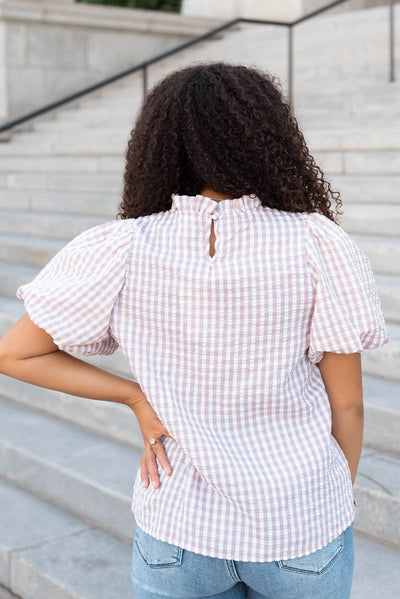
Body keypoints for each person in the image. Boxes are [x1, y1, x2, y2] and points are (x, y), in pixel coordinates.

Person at [0, 62, 389, 599]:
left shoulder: (123, 247)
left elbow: (15, 355)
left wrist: (135, 398)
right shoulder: (316, 243)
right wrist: (328, 499)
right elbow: (348, 406)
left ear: (160, 146)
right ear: (267, 136)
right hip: (298, 524)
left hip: (179, 528)